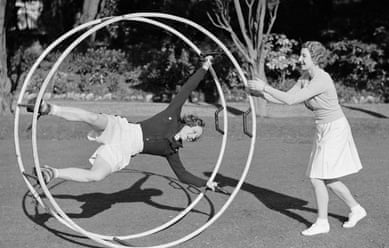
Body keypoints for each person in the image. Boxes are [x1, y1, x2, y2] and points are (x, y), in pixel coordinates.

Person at [27, 56, 218, 191]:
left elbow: (183, 175)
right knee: (93, 118)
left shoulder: (172, 151)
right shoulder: (172, 115)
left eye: (195, 138)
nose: (193, 137)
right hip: (121, 129)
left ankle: (51, 173)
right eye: (194, 131)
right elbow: (187, 89)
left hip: (121, 152)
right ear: (189, 122)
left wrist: (205, 183)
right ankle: (47, 109)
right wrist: (204, 67)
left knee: (95, 176)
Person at [247, 41, 366, 236]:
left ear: (315, 59)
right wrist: (259, 93)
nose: (300, 59)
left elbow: (291, 100)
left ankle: (322, 222)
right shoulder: (304, 78)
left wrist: (265, 86)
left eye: (304, 56)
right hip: (322, 129)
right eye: (300, 55)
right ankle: (356, 209)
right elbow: (285, 98)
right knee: (327, 178)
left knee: (317, 177)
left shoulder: (322, 79)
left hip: (335, 128)